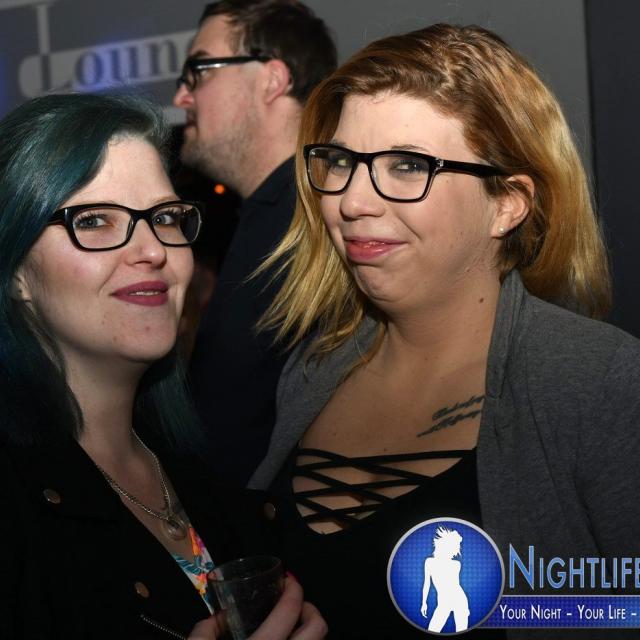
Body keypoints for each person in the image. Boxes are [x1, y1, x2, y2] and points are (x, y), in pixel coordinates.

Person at [248, 24, 640, 639]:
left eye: (407, 166)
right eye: (342, 162)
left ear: (507, 202)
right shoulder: (314, 366)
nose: (352, 201)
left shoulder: (596, 380)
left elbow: (623, 606)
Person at [0, 93, 326, 640]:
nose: (152, 249)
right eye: (94, 220)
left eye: (165, 217)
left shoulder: (201, 469)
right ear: (15, 274)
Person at [173, 0, 337, 486]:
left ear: (272, 80)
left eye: (200, 70)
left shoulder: (322, 223)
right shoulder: (275, 214)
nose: (181, 96)